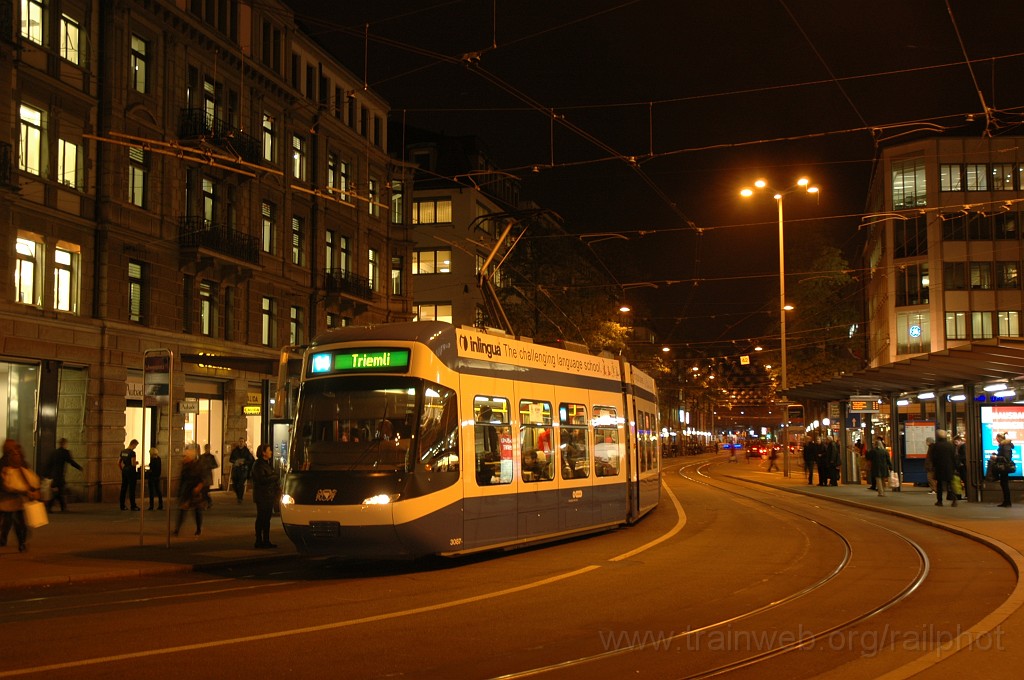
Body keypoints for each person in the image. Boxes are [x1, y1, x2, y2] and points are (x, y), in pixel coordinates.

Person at [0, 439, 41, 552]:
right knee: (8, 521)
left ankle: (20, 542)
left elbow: (28, 478)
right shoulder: (3, 465)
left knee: (18, 522)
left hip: (17, 501)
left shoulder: (21, 464)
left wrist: (32, 491)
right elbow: (4, 485)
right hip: (5, 500)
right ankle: (7, 539)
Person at [251, 443, 280, 549]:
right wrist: (274, 477)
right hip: (262, 495)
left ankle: (266, 540)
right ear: (263, 453)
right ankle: (259, 540)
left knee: (266, 518)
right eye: (269, 450)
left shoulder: (267, 464)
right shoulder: (258, 464)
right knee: (261, 518)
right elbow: (261, 480)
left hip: (268, 495)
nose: (271, 452)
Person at [174, 443, 206, 537]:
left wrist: (198, 487)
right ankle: (177, 529)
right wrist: (179, 492)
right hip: (186, 491)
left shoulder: (197, 465)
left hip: (195, 491)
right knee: (182, 510)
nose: (184, 458)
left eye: (186, 456)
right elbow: (182, 479)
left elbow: (202, 478)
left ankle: (199, 528)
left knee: (197, 511)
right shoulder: (185, 466)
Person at [46, 438, 83, 513]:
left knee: (59, 491)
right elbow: (71, 462)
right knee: (59, 492)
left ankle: (60, 507)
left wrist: (47, 474)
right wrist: (79, 467)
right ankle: (53, 507)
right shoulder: (65, 452)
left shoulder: (54, 452)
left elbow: (49, 464)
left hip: (54, 475)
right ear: (64, 444)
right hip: (60, 475)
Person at [931, 429, 958, 507]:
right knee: (950, 484)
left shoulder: (936, 446)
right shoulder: (950, 445)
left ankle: (940, 501)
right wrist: (954, 467)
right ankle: (954, 499)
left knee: (939, 485)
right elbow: (954, 457)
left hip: (940, 467)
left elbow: (934, 457)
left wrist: (934, 466)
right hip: (949, 467)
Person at [228, 439, 255, 503]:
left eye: (242, 442)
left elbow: (251, 460)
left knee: (241, 483)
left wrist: (244, 462)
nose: (241, 443)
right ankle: (238, 495)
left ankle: (240, 498)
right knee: (235, 484)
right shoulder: (234, 451)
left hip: (243, 469)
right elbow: (230, 459)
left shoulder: (247, 451)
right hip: (236, 469)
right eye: (239, 441)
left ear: (244, 443)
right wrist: (235, 461)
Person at [994, 433, 1015, 507]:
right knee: (1004, 484)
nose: (996, 439)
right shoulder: (1005, 445)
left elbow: (1006, 458)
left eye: (996, 438)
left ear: (1000, 438)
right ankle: (1006, 501)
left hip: (1004, 468)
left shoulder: (1005, 446)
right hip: (1004, 467)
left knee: (1004, 484)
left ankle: (1007, 502)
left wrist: (996, 458)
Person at [119, 439, 140, 511]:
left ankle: (122, 505)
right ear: (133, 444)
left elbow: (118, 462)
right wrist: (136, 463)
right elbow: (133, 463)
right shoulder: (132, 453)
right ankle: (133, 505)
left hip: (125, 470)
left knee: (123, 488)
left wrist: (123, 469)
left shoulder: (123, 452)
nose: (135, 447)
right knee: (132, 489)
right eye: (135, 446)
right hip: (131, 471)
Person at [199, 443, 219, 508]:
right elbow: (198, 465)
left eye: (208, 448)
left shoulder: (211, 457)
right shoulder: (201, 457)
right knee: (203, 491)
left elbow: (216, 465)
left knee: (205, 491)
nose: (207, 449)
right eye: (206, 448)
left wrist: (209, 466)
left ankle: (208, 502)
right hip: (202, 476)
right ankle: (206, 503)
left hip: (208, 476)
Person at [953, 435, 968, 501]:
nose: (955, 444)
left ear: (960, 441)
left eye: (956, 442)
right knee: (964, 480)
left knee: (965, 480)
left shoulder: (963, 447)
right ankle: (967, 494)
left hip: (963, 466)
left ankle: (967, 494)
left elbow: (963, 456)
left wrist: (959, 459)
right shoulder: (961, 447)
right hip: (962, 465)